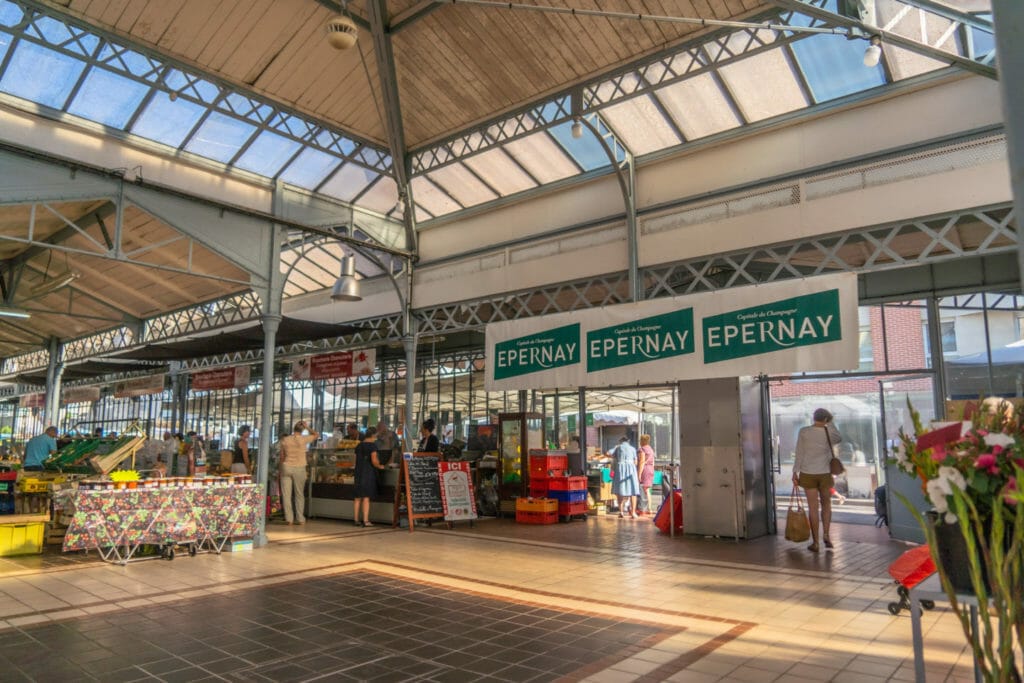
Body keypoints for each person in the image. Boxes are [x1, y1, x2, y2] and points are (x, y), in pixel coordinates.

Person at [792, 407, 843, 553]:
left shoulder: (804, 431)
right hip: (825, 473)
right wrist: (831, 423)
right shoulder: (829, 432)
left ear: (814, 418)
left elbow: (799, 452)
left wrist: (795, 472)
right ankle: (826, 534)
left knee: (813, 508)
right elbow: (839, 438)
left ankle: (815, 543)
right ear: (826, 419)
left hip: (808, 473)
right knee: (826, 505)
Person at [277, 420, 318, 525]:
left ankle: (289, 519)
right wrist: (307, 427)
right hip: (299, 468)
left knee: (286, 495)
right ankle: (300, 518)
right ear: (302, 429)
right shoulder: (304, 439)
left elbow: (281, 456)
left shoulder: (285, 439)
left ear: (293, 429)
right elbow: (316, 434)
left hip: (286, 467)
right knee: (299, 494)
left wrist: (280, 469)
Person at [353, 426, 386, 527]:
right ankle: (366, 520)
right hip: (368, 473)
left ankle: (356, 520)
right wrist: (380, 466)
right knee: (366, 497)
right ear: (373, 435)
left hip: (358, 472)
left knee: (358, 497)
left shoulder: (359, 445)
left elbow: (355, 460)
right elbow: (374, 461)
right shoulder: (372, 446)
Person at [610, 436, 640, 519]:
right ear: (628, 441)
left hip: (620, 469)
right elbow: (636, 462)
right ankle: (633, 513)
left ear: (620, 441)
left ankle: (621, 512)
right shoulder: (633, 449)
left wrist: (612, 470)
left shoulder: (618, 448)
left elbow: (613, 459)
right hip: (631, 470)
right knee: (633, 491)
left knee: (620, 491)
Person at [637, 434, 656, 515]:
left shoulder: (642, 449)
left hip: (645, 469)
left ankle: (642, 509)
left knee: (643, 489)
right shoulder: (651, 449)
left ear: (642, 441)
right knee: (647, 490)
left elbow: (641, 462)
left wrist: (639, 474)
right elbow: (653, 462)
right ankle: (650, 508)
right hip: (651, 468)